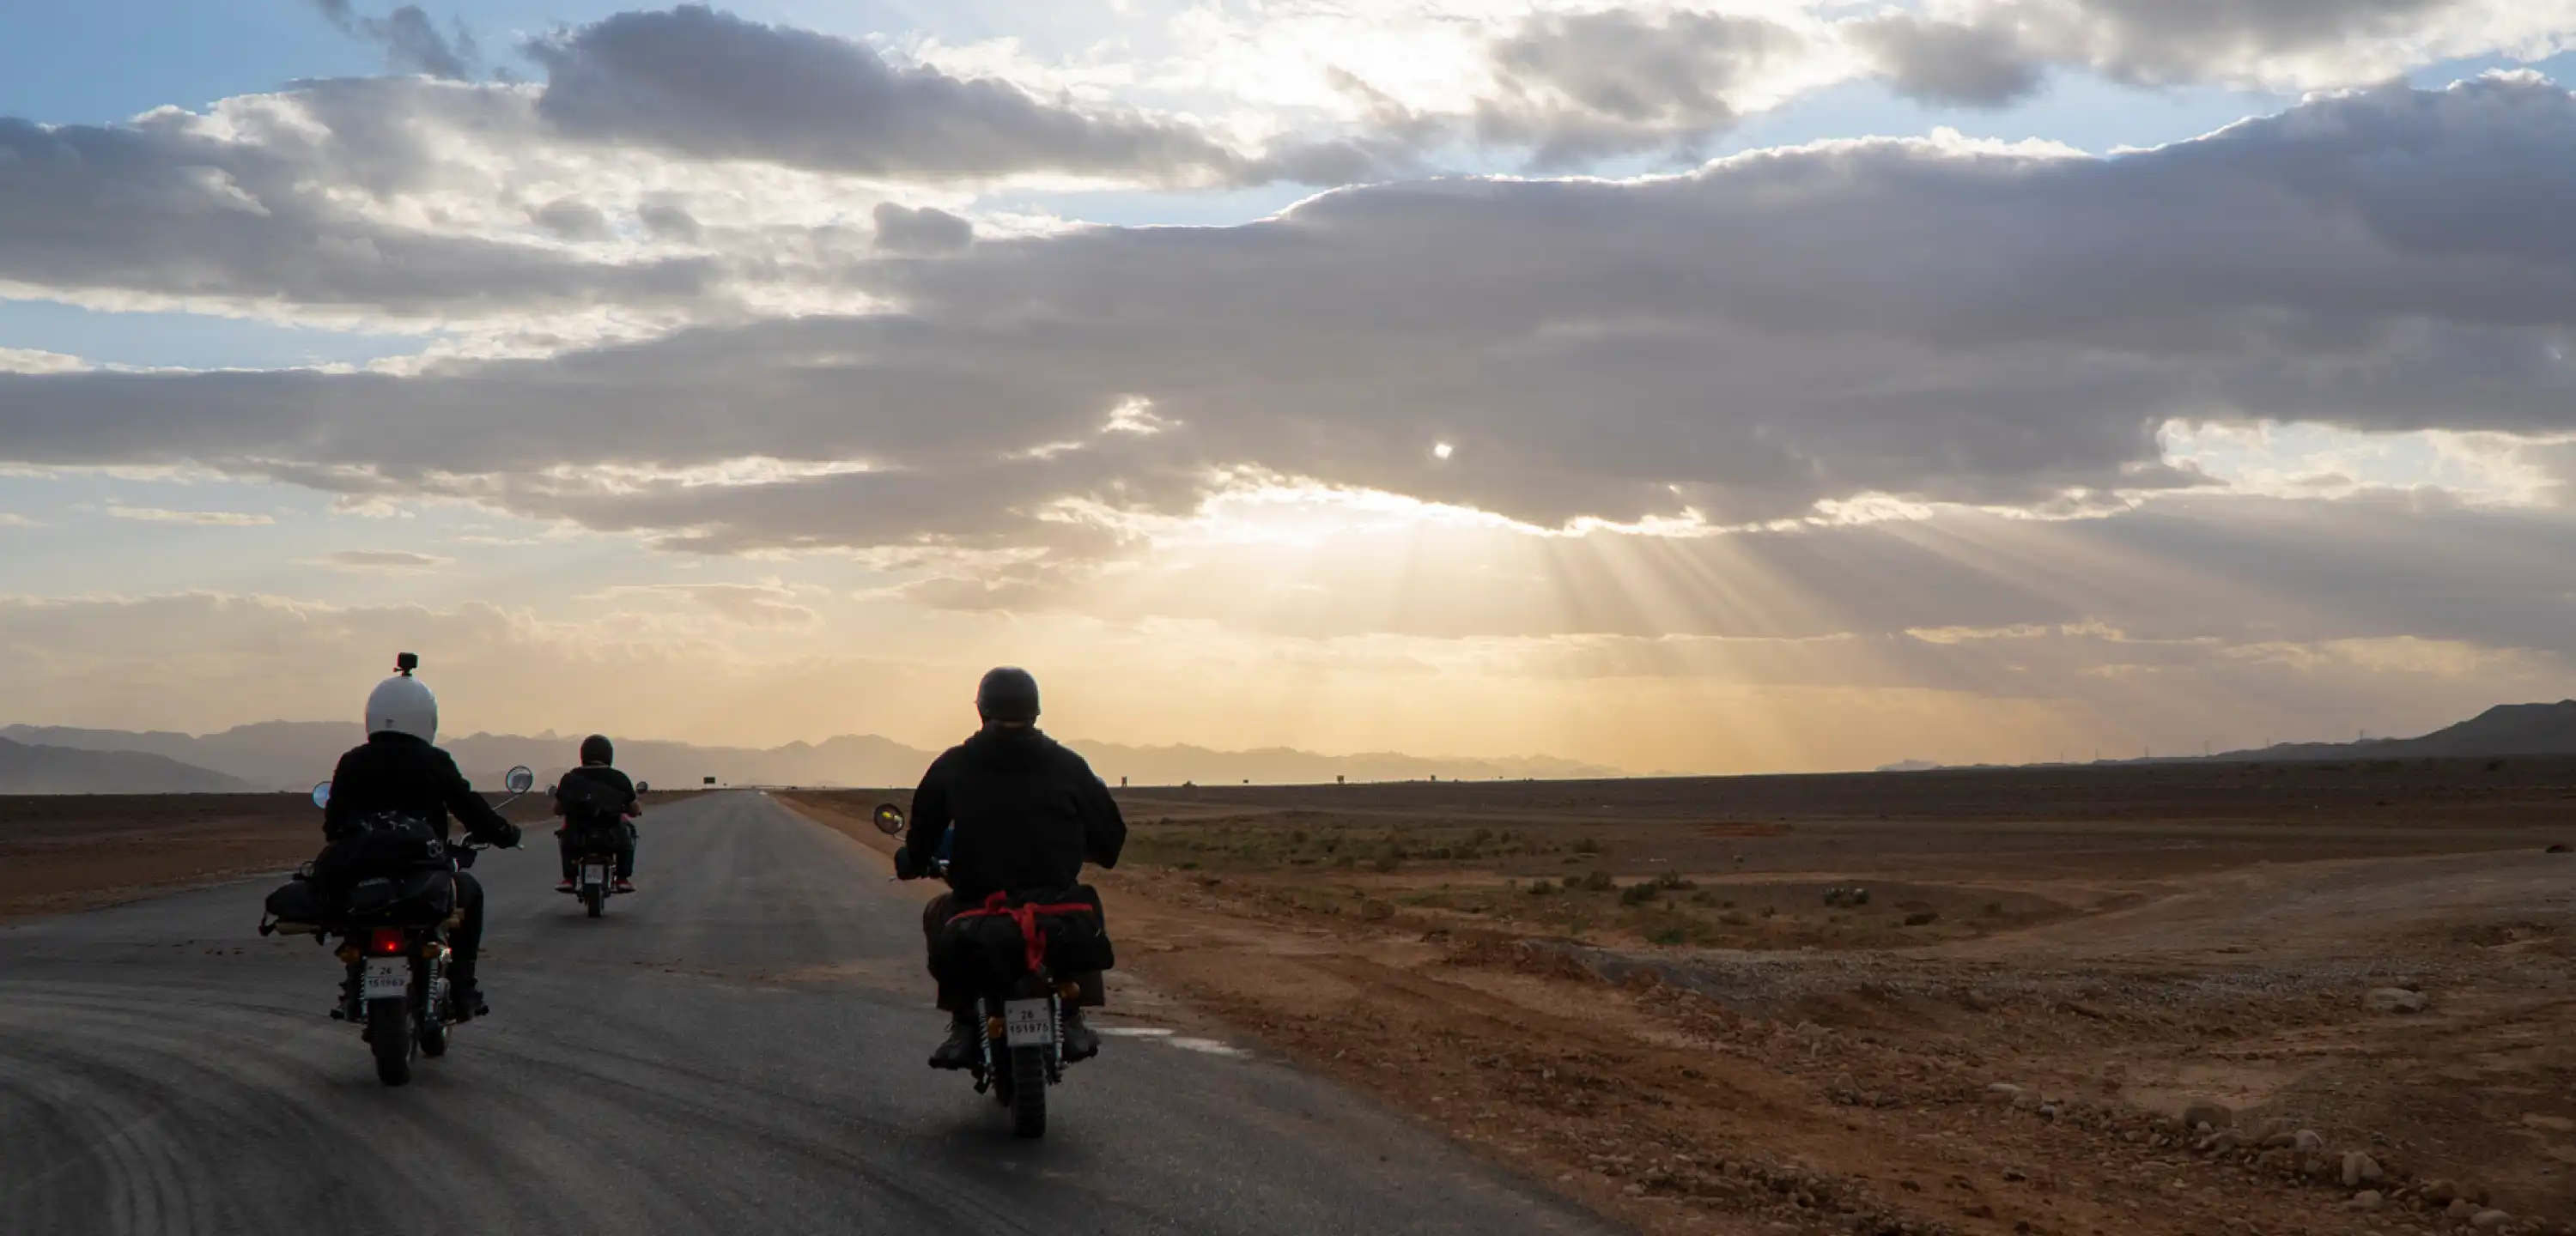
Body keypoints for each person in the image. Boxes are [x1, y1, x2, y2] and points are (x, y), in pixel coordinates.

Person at [901, 666, 1126, 1069]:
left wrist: (912, 862)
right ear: (1035, 711)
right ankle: (1073, 1016)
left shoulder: (953, 766)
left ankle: (964, 1025)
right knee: (1087, 907)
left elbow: (922, 835)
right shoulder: (1068, 765)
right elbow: (1110, 836)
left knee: (938, 913)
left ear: (982, 710)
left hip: (979, 902)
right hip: (1055, 901)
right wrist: (1089, 849)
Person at [320, 654, 522, 1018]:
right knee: (470, 894)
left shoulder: (352, 761)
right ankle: (463, 988)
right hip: (421, 874)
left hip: (363, 875)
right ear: (427, 717)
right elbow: (470, 809)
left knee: (352, 912)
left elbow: (332, 826)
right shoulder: (433, 761)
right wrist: (505, 833)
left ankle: (353, 983)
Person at [552, 734, 641, 894]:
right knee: (629, 833)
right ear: (609, 755)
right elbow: (633, 809)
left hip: (578, 833)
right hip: (611, 833)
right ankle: (622, 878)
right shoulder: (619, 778)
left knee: (565, 837)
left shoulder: (570, 778)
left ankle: (570, 878)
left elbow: (558, 809)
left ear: (583, 754)